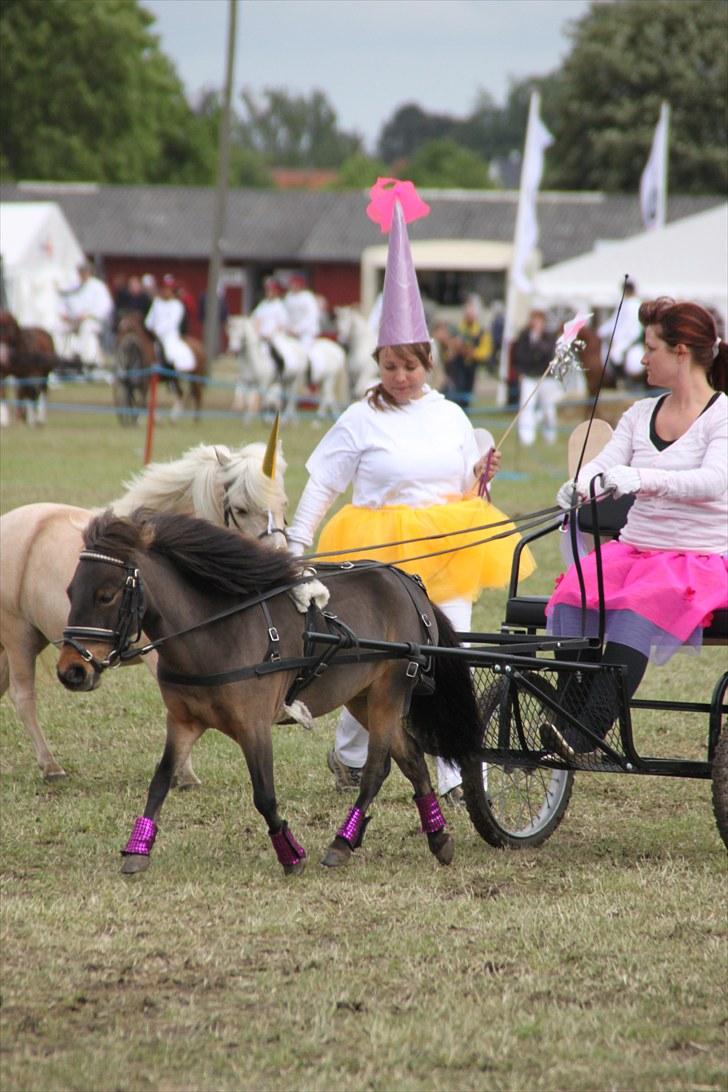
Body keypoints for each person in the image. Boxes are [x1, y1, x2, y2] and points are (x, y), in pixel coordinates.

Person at [287, 178, 535, 804]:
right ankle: (349, 751)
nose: (399, 377)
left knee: (442, 661)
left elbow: (461, 484)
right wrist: (296, 542)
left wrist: (482, 477)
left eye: (411, 366)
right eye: (390, 366)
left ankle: (452, 770)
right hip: (377, 552)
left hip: (445, 545)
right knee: (370, 660)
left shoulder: (451, 413)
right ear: (378, 363)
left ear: (428, 363)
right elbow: (324, 482)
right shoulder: (359, 418)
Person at [545, 297, 728, 763]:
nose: (643, 358)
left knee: (636, 607)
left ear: (681, 351)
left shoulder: (722, 415)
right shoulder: (638, 413)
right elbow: (604, 465)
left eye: (651, 348)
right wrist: (579, 486)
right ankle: (566, 719)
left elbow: (714, 481)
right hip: (634, 552)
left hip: (696, 560)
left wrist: (644, 479)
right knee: (570, 593)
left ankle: (586, 735)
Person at [510, 307, 559, 445]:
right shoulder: (524, 336)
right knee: (526, 406)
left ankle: (550, 436)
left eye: (539, 321)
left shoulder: (549, 336)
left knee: (548, 408)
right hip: (529, 376)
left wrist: (537, 341)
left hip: (546, 378)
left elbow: (549, 353)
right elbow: (519, 355)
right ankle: (526, 437)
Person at [440, 294, 493, 410]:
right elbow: (447, 352)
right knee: (452, 399)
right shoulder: (456, 329)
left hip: (471, 370)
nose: (469, 314)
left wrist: (470, 352)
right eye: (467, 310)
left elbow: (485, 353)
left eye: (472, 311)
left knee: (466, 400)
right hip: (455, 370)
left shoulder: (481, 331)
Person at [59, 259, 114, 366]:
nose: (82, 274)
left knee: (86, 328)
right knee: (59, 328)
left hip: (92, 321)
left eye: (84, 271)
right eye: (80, 271)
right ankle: (64, 357)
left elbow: (105, 306)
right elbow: (64, 302)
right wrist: (64, 314)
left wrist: (88, 315)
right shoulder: (74, 286)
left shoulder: (98, 287)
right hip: (73, 321)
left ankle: (86, 360)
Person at [144, 274, 196, 377]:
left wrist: (159, 331)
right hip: (153, 335)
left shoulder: (177, 305)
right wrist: (150, 328)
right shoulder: (157, 303)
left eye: (169, 289)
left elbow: (172, 323)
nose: (166, 292)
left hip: (169, 335)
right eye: (164, 289)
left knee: (170, 351)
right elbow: (149, 320)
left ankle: (173, 373)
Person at [597, 279, 643, 384]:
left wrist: (617, 336)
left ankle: (623, 380)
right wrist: (601, 331)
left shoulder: (634, 304)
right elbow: (614, 320)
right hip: (622, 336)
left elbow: (630, 324)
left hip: (631, 336)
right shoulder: (623, 304)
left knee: (615, 354)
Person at [284, 273, 320, 350]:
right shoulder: (288, 297)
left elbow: (312, 316)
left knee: (304, 351)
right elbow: (286, 314)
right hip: (290, 332)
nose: (293, 286)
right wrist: (288, 327)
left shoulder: (307, 297)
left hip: (307, 332)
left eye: (295, 284)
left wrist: (297, 329)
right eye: (292, 284)